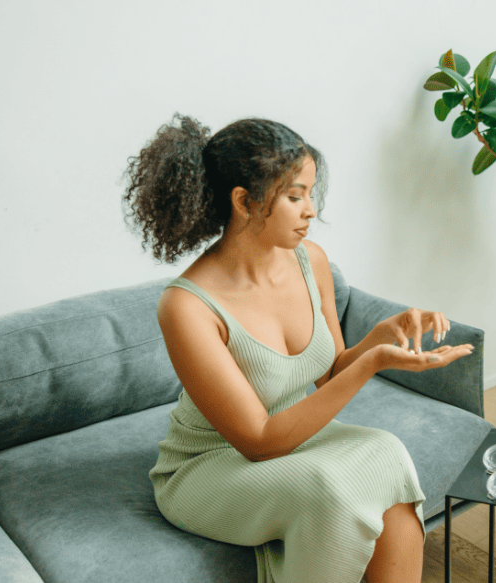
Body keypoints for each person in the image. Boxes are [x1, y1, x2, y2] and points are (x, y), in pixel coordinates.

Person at [123, 115, 473, 583]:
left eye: (311, 193)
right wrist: (375, 363)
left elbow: (330, 373)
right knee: (326, 490)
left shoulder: (312, 261)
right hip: (212, 462)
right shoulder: (187, 305)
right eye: (294, 196)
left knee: (387, 452)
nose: (311, 210)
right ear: (244, 201)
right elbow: (258, 442)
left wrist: (383, 336)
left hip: (297, 433)